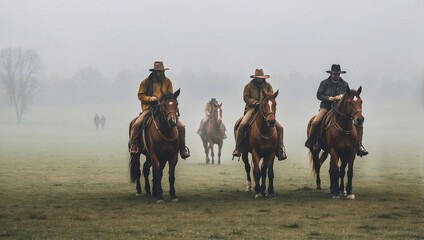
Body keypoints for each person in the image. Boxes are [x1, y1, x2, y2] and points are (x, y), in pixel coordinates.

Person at [129, 61, 190, 159]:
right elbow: (140, 95)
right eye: (158, 71)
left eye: (162, 71)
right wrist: (150, 98)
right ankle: (134, 145)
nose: (161, 73)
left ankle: (182, 149)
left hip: (164, 109)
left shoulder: (168, 81)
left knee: (181, 127)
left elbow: (170, 96)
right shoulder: (145, 82)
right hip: (149, 108)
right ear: (154, 71)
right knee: (137, 124)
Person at [304, 64, 369, 157]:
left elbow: (348, 95)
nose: (336, 76)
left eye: (338, 74)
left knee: (358, 123)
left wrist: (341, 97)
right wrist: (329, 98)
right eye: (334, 74)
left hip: (341, 109)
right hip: (326, 107)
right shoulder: (324, 83)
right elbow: (319, 95)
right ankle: (314, 142)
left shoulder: (345, 84)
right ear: (331, 73)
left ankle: (359, 145)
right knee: (315, 122)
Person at [232, 69, 287, 161]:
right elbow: (245, 97)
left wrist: (265, 104)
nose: (260, 79)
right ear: (255, 78)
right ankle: (238, 148)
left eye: (261, 78)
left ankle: (280, 150)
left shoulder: (268, 86)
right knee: (242, 124)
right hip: (252, 108)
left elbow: (271, 97)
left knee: (280, 128)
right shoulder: (248, 86)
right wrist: (254, 102)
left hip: (265, 110)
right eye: (258, 78)